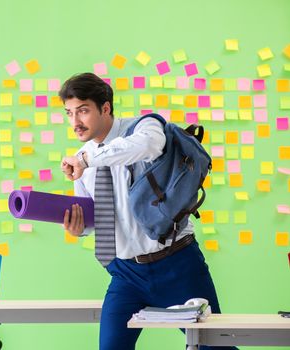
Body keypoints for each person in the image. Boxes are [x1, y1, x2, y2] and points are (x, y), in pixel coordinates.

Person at [59, 72, 236, 350]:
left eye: (83, 111)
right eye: (69, 113)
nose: (75, 122)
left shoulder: (144, 127)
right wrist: (79, 227)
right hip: (127, 274)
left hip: (177, 264)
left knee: (215, 347)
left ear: (105, 107)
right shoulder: (82, 162)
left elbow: (150, 145)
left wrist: (87, 158)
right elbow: (94, 219)